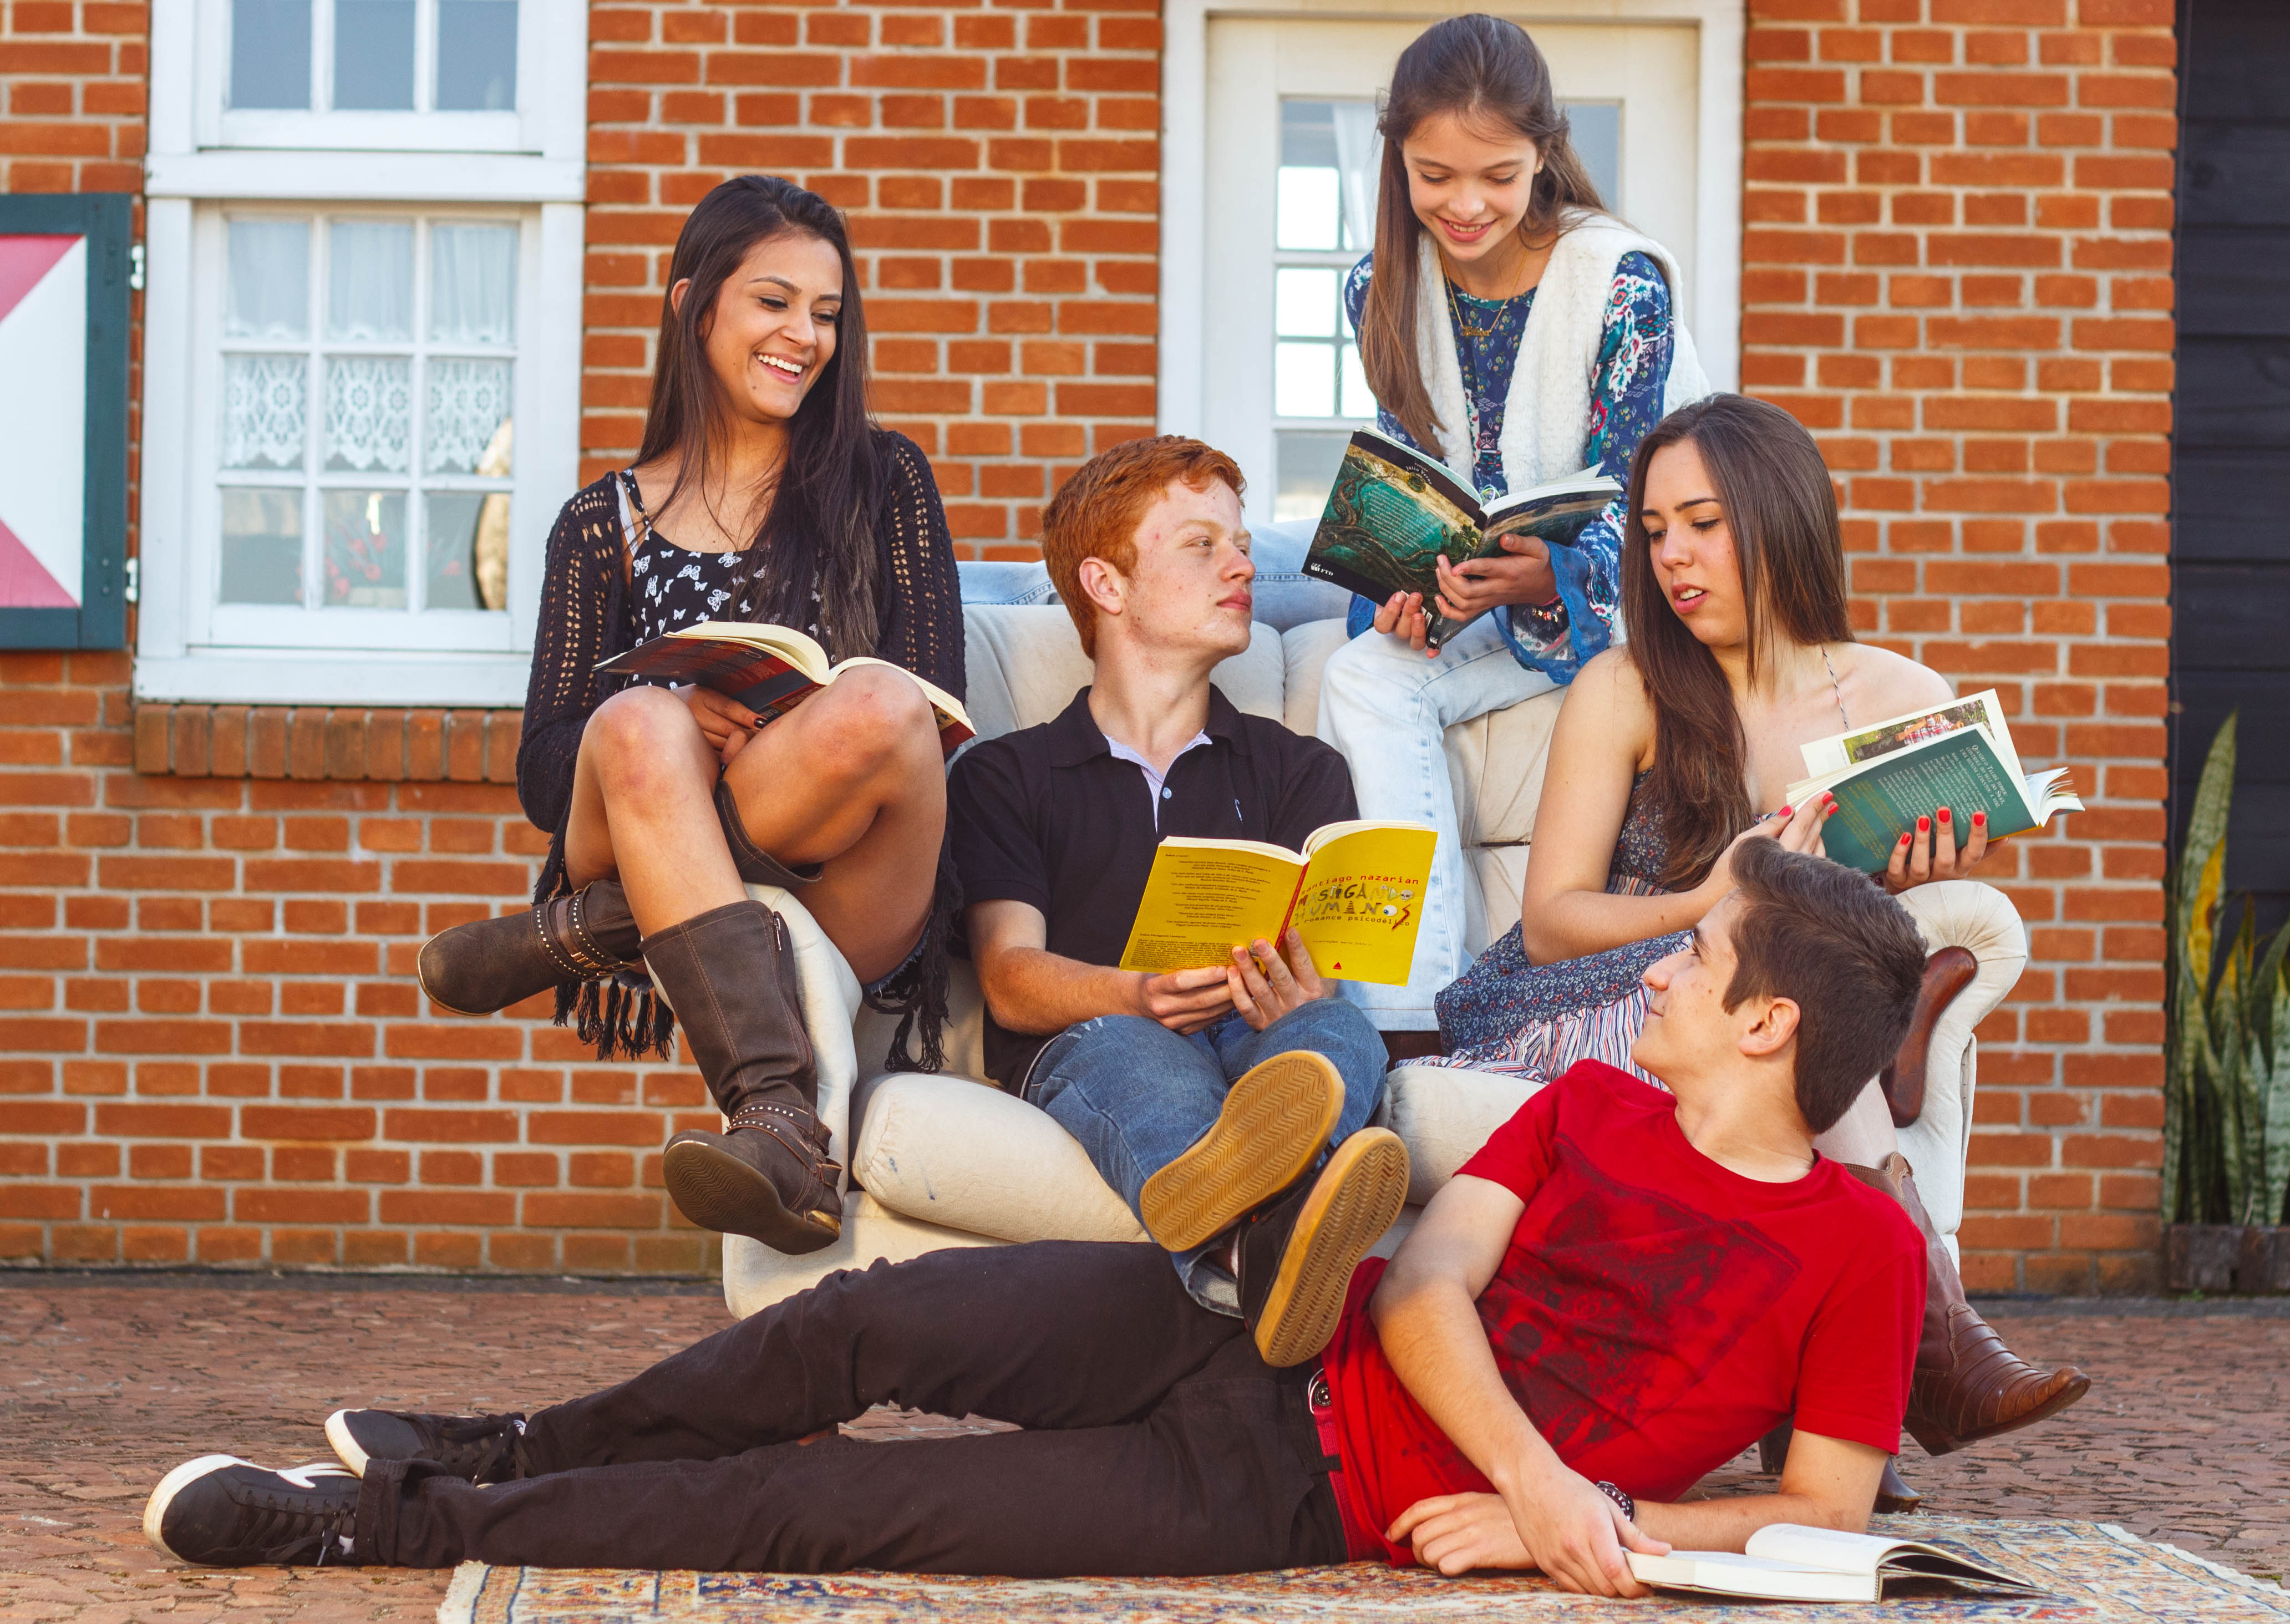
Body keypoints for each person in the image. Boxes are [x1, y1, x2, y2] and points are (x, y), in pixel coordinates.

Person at [146, 841, 1936, 1591]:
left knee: (834, 1504)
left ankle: (379, 1521)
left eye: (1698, 957)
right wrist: (1547, 1479)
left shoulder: (1859, 1246)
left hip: (1284, 1485)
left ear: (1768, 1021)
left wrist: (1604, 1526)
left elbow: (1824, 1513)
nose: (1667, 974)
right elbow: (1430, 1286)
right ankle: (521, 1433)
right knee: (854, 1325)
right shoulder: (1595, 1102)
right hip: (1259, 1329)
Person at [1435, 390, 2088, 1500]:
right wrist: (1713, 892)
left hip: (1777, 992)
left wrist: (1913, 880)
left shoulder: (1904, 696)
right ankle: (1925, 1357)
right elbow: (1552, 920)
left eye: (1704, 524)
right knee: (1787, 1010)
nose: (1675, 558)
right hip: (1623, 981)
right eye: (1654, 532)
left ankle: (1878, 1385)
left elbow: (1865, 913)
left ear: (1778, 517)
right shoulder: (1628, 683)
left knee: (1799, 989)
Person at [410, 176, 966, 1256]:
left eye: (827, 312)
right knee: (633, 728)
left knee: (879, 703)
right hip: (649, 811)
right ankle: (780, 1123)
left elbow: (933, 700)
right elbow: (542, 774)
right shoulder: (599, 525)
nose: (804, 335)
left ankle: (608, 927)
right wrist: (675, 704)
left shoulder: (884, 481)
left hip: (852, 869)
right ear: (693, 306)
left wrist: (789, 724)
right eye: (774, 302)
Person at [949, 434, 1403, 1362]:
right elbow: (1009, 978)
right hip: (1099, 1034)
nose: (1240, 565)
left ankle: (1248, 1252)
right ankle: (1277, 1244)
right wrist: (1138, 993)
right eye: (1201, 545)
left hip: (1259, 1029)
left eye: (1239, 543)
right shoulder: (1007, 774)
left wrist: (1305, 989)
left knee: (1339, 1035)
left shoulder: (1301, 771)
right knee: (1138, 1055)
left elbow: (1329, 961)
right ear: (1106, 586)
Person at [1313, 14, 1713, 1044]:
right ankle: (1408, 1017)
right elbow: (1414, 476)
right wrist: (1408, 586)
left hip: (1633, 598)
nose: (1465, 205)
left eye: (1497, 174)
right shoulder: (1381, 289)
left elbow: (1650, 492)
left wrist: (1550, 578)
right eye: (1433, 175)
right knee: (1363, 673)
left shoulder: (1623, 282)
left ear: (1545, 151)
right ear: (1397, 157)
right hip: (1493, 596)